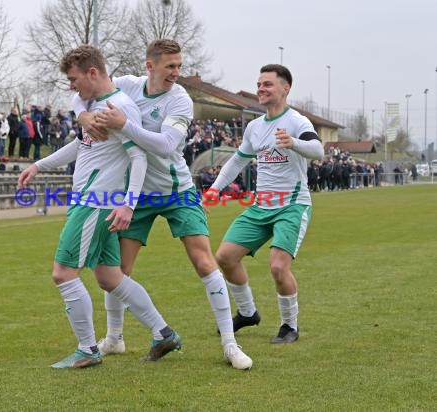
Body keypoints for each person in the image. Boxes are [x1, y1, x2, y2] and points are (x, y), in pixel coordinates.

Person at [75, 39, 252, 369]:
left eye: (179, 66)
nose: (176, 73)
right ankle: (115, 338)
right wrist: (83, 116)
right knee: (118, 271)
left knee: (202, 260)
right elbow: (82, 90)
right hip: (135, 194)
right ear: (149, 66)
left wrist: (124, 125)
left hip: (176, 190)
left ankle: (230, 343)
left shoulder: (180, 100)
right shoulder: (127, 86)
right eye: (170, 66)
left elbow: (166, 144)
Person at [17, 44, 181, 369]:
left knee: (63, 273)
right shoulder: (96, 106)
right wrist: (39, 165)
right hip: (97, 203)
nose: (72, 86)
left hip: (96, 203)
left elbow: (138, 156)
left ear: (93, 73)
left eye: (74, 78)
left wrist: (129, 204)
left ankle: (88, 349)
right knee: (110, 278)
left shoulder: (118, 107)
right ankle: (163, 332)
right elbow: (82, 145)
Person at [205, 64, 325, 344]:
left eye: (268, 84)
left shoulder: (297, 121)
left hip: (292, 206)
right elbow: (238, 160)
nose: (261, 89)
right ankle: (248, 314)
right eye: (259, 84)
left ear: (285, 88)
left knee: (278, 267)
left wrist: (293, 142)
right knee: (225, 256)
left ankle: (289, 326)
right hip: (261, 206)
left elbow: (318, 150)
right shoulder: (255, 127)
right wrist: (214, 190)